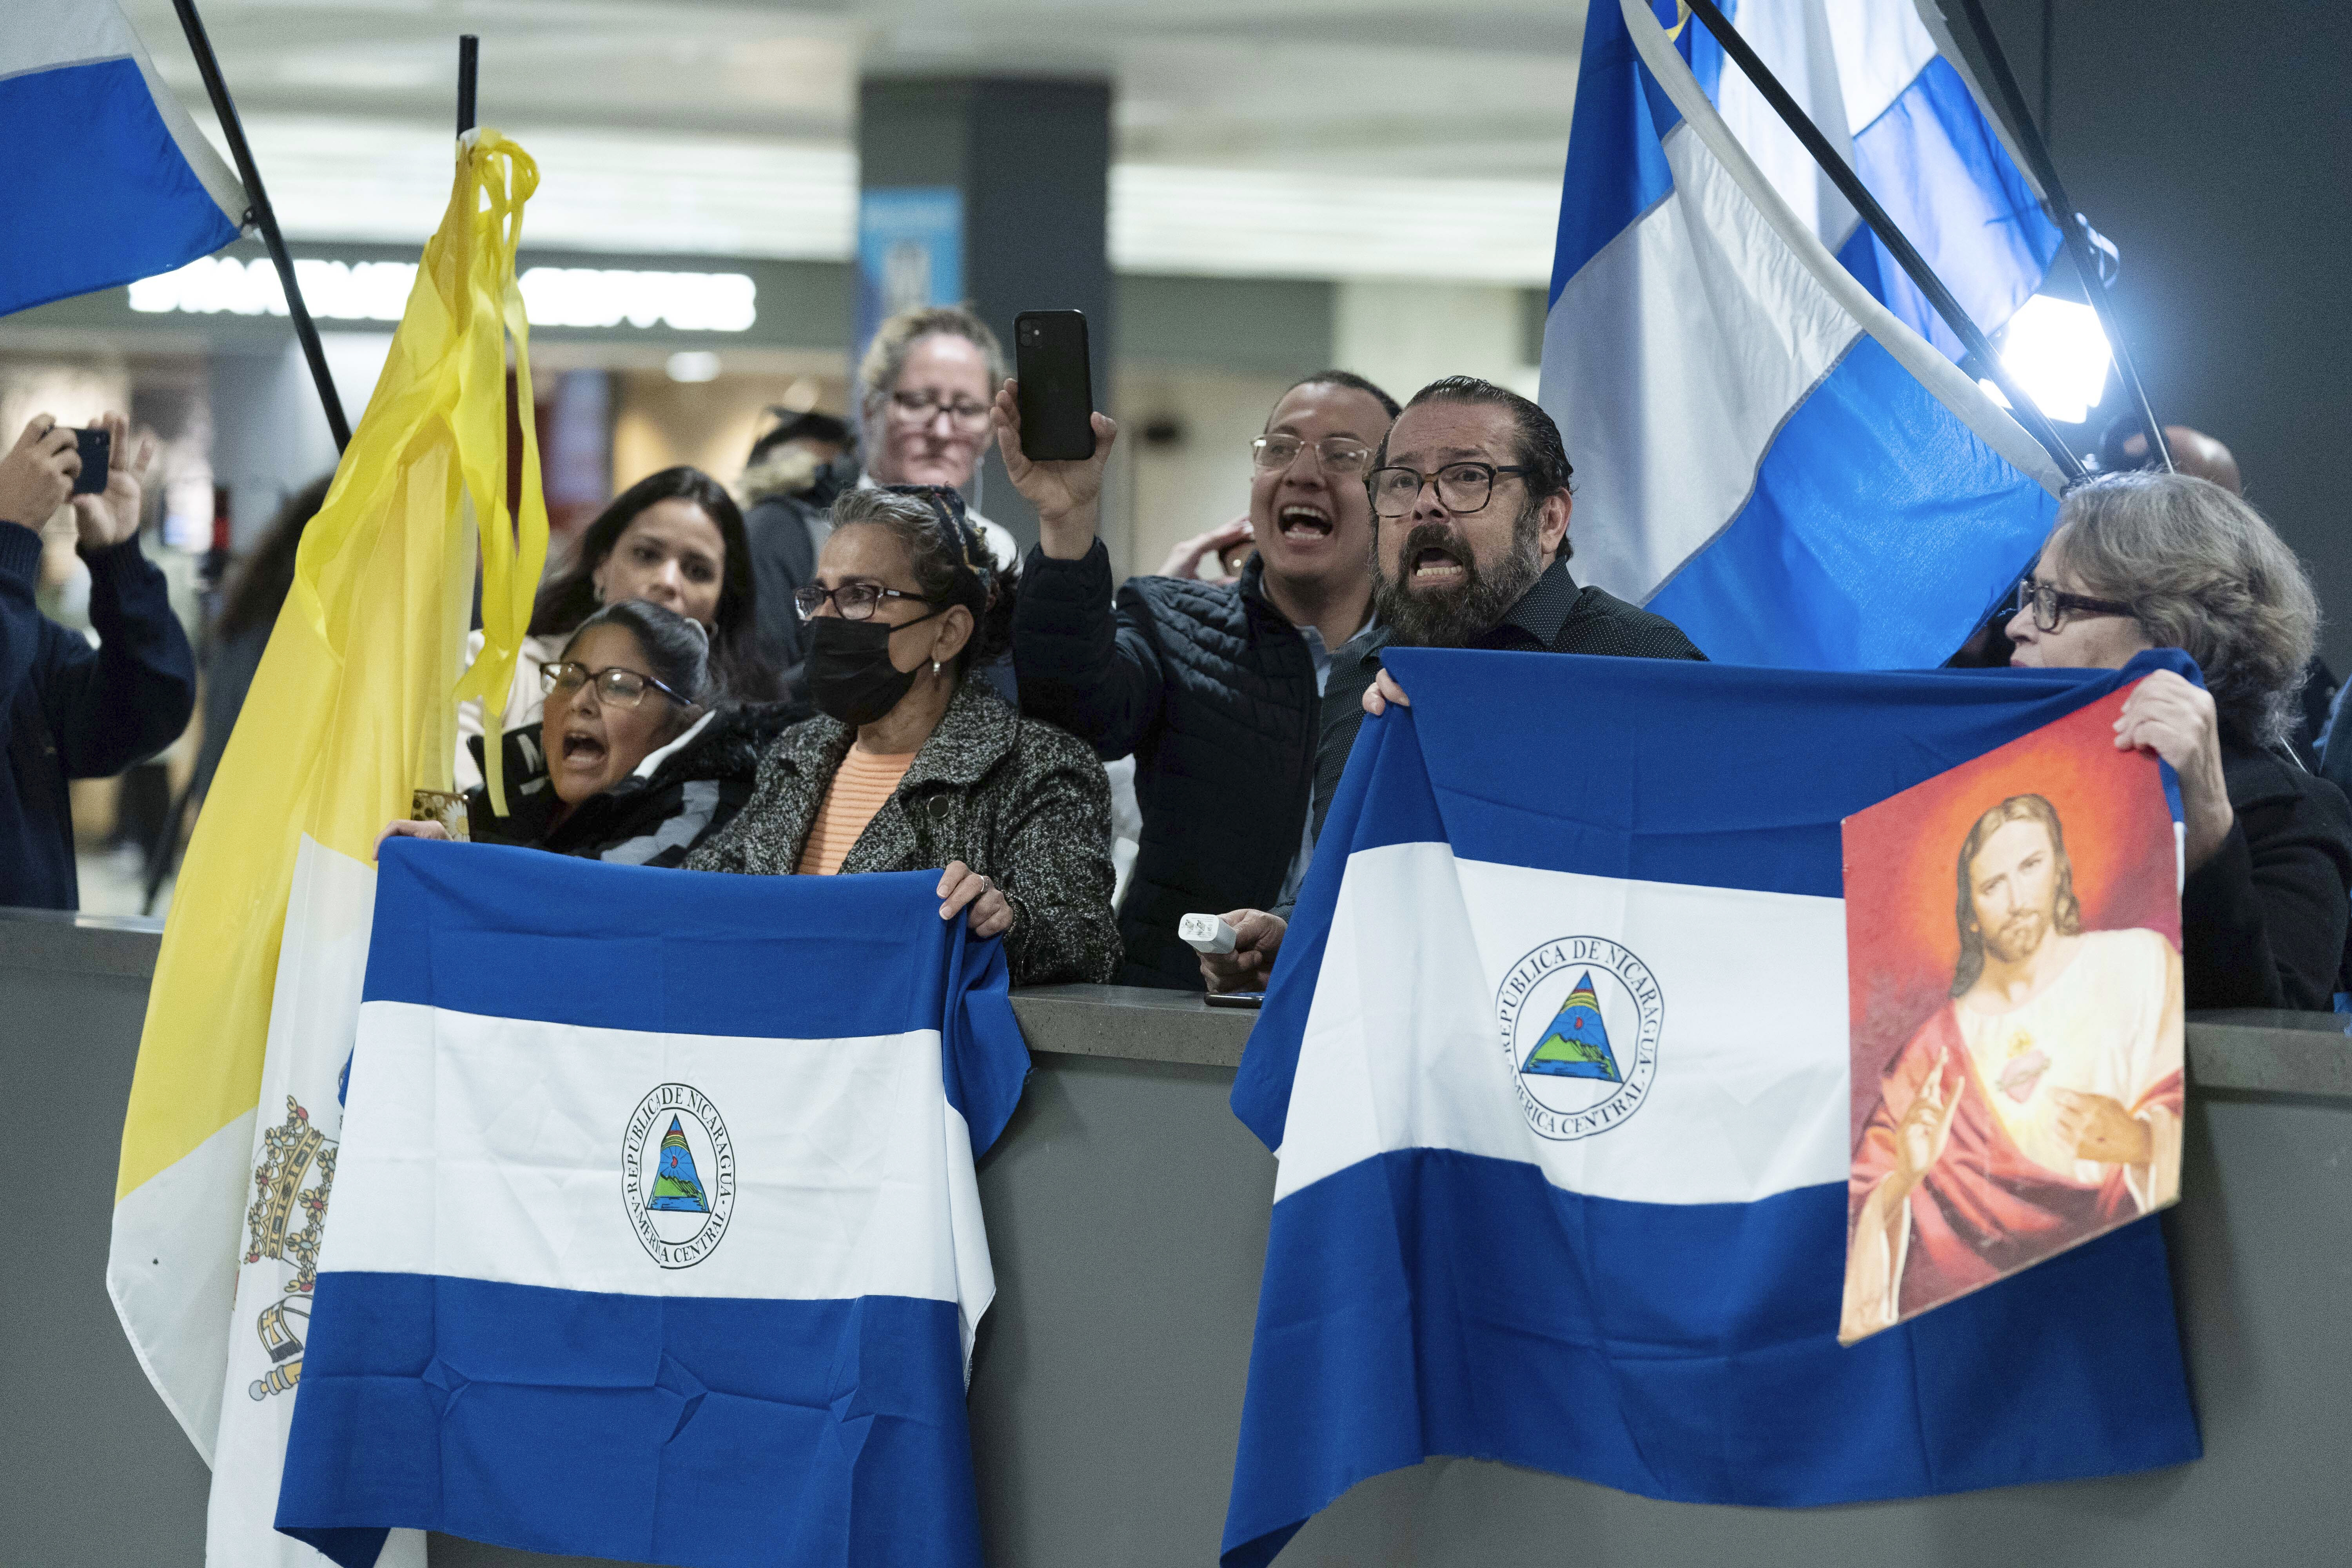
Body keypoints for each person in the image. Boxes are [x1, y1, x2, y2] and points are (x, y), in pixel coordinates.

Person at [1200, 375, 1707, 993]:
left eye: (1468, 477)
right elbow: (1356, 885)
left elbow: (1699, 905)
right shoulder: (1364, 673)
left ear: (1549, 519)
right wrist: (1291, 932)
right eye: (1401, 482)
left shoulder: (1646, 663)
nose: (1424, 505)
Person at [1001, 369, 1400, 988]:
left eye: (1343, 455)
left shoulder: (1426, 662)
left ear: (1395, 494)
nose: (1302, 472)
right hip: (1179, 1008)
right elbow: (1073, 716)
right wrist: (1067, 522)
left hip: (1362, 1008)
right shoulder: (1169, 619)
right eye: (1281, 448)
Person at [687, 485, 1119, 986]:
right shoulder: (798, 751)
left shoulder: (1038, 766)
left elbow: (1087, 943)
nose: (825, 619)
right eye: (818, 596)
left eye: (859, 596)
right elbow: (701, 891)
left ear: (948, 632)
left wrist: (1003, 921)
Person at [2002, 470, 2352, 1010]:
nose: (2018, 625)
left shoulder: (2289, 813)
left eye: (2053, 603)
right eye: (2029, 596)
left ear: (2169, 634)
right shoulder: (1989, 773)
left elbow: (2269, 1057)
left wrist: (2208, 830)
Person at [1839, 794, 2184, 1342]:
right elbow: (1867, 1204)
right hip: (1980, 1338)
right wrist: (1906, 1174)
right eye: (1993, 885)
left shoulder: (2139, 967)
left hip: (2126, 1297)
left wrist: (2142, 1142)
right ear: (1970, 912)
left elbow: (2181, 1120)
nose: (2018, 899)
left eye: (2031, 867)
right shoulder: (1931, 1053)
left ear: (2059, 871)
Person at [743, 307, 1018, 698]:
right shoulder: (787, 533)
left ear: (991, 429)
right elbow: (758, 706)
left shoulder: (1000, 550)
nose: (942, 430)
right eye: (920, 402)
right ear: (871, 408)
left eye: (967, 409)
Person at [390, 599, 791, 867]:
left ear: (683, 721)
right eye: (568, 677)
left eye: (619, 684)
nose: (581, 700)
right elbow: (447, 831)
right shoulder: (518, 782)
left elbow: (590, 895)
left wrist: (458, 858)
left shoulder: (708, 802)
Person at [456, 466, 779, 791]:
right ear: (601, 567)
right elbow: (448, 811)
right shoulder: (496, 667)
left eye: (697, 571)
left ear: (721, 603)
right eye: (646, 555)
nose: (667, 582)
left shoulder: (741, 734)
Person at [0, 412, 196, 909]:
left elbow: (148, 711)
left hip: (40, 968)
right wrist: (10, 540)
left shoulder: (35, 646)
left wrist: (119, 562)